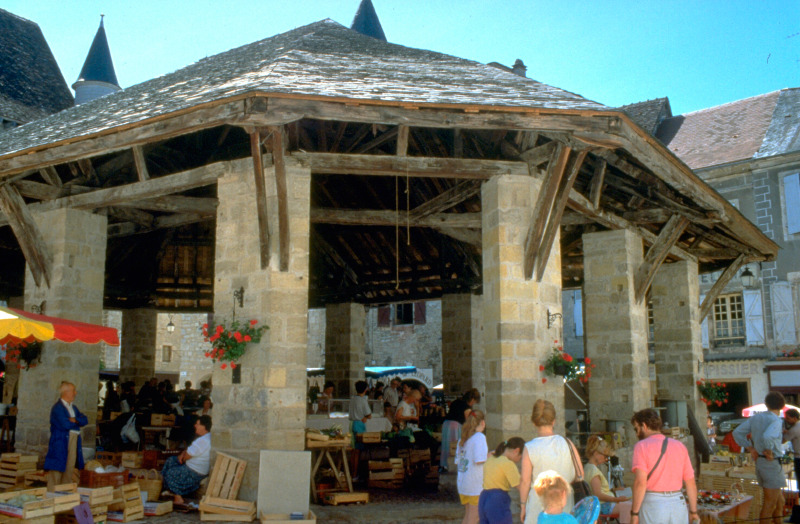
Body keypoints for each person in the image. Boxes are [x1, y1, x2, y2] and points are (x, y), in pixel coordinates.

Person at [629, 408, 699, 524]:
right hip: (678, 503)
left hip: (654, 504)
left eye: (636, 429)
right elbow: (691, 483)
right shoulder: (680, 446)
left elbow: (641, 483)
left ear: (644, 426)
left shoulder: (641, 446)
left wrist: (634, 513)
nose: (636, 433)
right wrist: (693, 511)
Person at [519, 399, 583, 524]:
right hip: (564, 504)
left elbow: (525, 481)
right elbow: (580, 474)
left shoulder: (530, 448)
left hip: (539, 506)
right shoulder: (568, 443)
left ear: (534, 422)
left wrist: (522, 505)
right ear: (554, 421)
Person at [733, 391, 787, 524]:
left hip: (761, 462)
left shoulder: (756, 418)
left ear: (767, 404)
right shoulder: (776, 420)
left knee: (780, 502)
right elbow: (767, 436)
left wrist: (750, 447)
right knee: (769, 505)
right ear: (782, 405)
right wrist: (769, 449)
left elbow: (737, 432)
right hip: (771, 462)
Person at [44, 382, 88, 490]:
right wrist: (76, 422)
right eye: (73, 390)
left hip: (73, 440)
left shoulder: (73, 408)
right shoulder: (58, 408)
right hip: (60, 442)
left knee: (69, 468)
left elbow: (85, 420)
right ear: (66, 392)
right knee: (57, 468)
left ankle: (63, 495)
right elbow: (65, 424)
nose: (75, 393)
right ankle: (52, 495)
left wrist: (75, 420)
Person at [162, 415, 213, 506]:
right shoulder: (208, 437)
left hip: (194, 471)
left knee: (170, 473)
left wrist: (182, 457)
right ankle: (170, 490)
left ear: (204, 426)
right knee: (170, 460)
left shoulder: (202, 441)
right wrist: (183, 455)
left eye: (197, 424)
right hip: (197, 469)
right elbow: (189, 451)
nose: (195, 426)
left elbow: (187, 457)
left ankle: (178, 497)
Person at [478, 437, 525, 524]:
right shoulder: (508, 464)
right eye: (520, 457)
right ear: (516, 451)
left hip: (483, 497)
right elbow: (520, 486)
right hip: (497, 500)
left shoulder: (491, 458)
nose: (519, 460)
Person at [583, 435, 630, 517]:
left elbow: (597, 490)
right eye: (605, 456)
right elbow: (598, 495)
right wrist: (617, 499)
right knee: (631, 507)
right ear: (596, 454)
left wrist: (614, 490)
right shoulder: (594, 472)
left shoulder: (588, 468)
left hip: (602, 504)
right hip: (604, 506)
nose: (606, 459)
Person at [456, 410, 488, 524]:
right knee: (475, 518)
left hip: (463, 482)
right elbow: (479, 460)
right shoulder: (479, 437)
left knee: (468, 515)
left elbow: (460, 459)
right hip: (475, 484)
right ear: (483, 422)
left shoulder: (463, 438)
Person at [441, 389, 481, 473]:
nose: (473, 404)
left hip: (446, 424)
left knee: (446, 445)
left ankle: (444, 465)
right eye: (474, 402)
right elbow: (468, 422)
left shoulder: (456, 401)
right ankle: (455, 466)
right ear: (472, 399)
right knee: (455, 446)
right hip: (454, 426)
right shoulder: (466, 407)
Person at [348, 380, 371, 478]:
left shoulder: (352, 399)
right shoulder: (363, 401)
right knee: (357, 451)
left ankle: (353, 472)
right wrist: (366, 417)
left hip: (352, 424)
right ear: (365, 390)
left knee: (353, 451)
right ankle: (355, 474)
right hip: (359, 425)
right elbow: (369, 415)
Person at [784, 408, 800, 487]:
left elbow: (783, 441)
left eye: (788, 418)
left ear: (795, 418)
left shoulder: (794, 429)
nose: (786, 420)